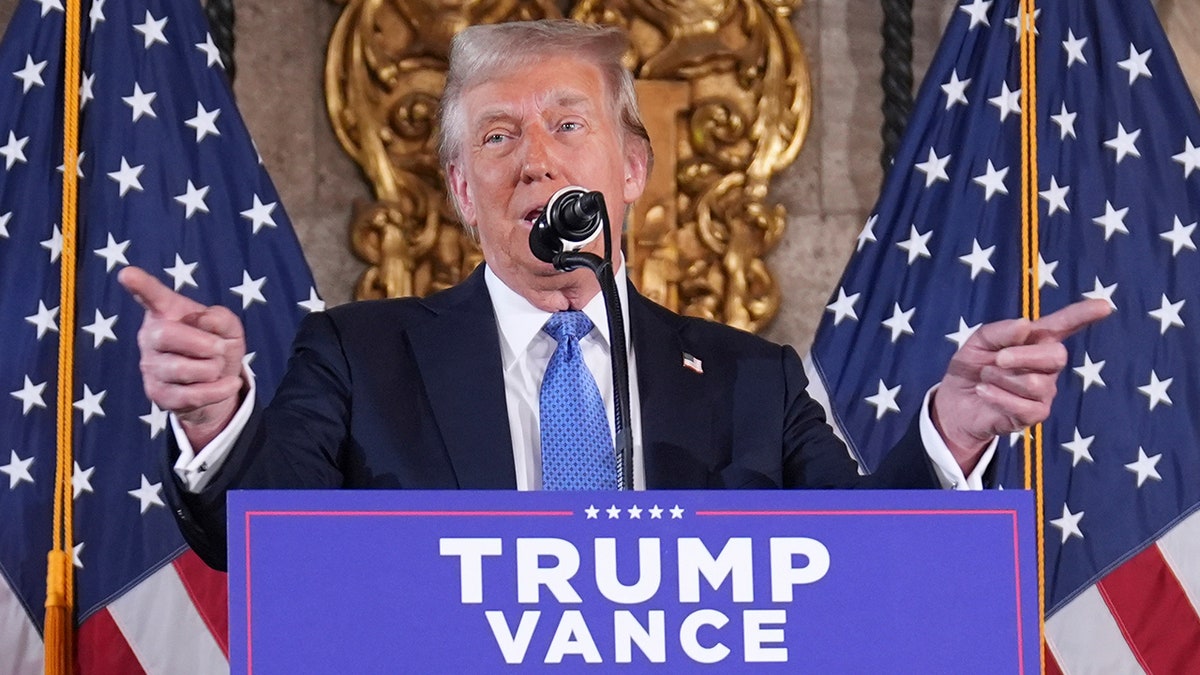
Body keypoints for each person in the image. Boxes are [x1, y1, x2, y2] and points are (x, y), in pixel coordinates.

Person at [118, 19, 1110, 571]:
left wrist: (959, 428)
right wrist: (213, 415)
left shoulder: (749, 382)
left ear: (631, 169)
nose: (536, 164)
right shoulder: (356, 356)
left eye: (565, 126)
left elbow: (869, 567)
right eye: (498, 138)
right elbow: (258, 542)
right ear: (462, 192)